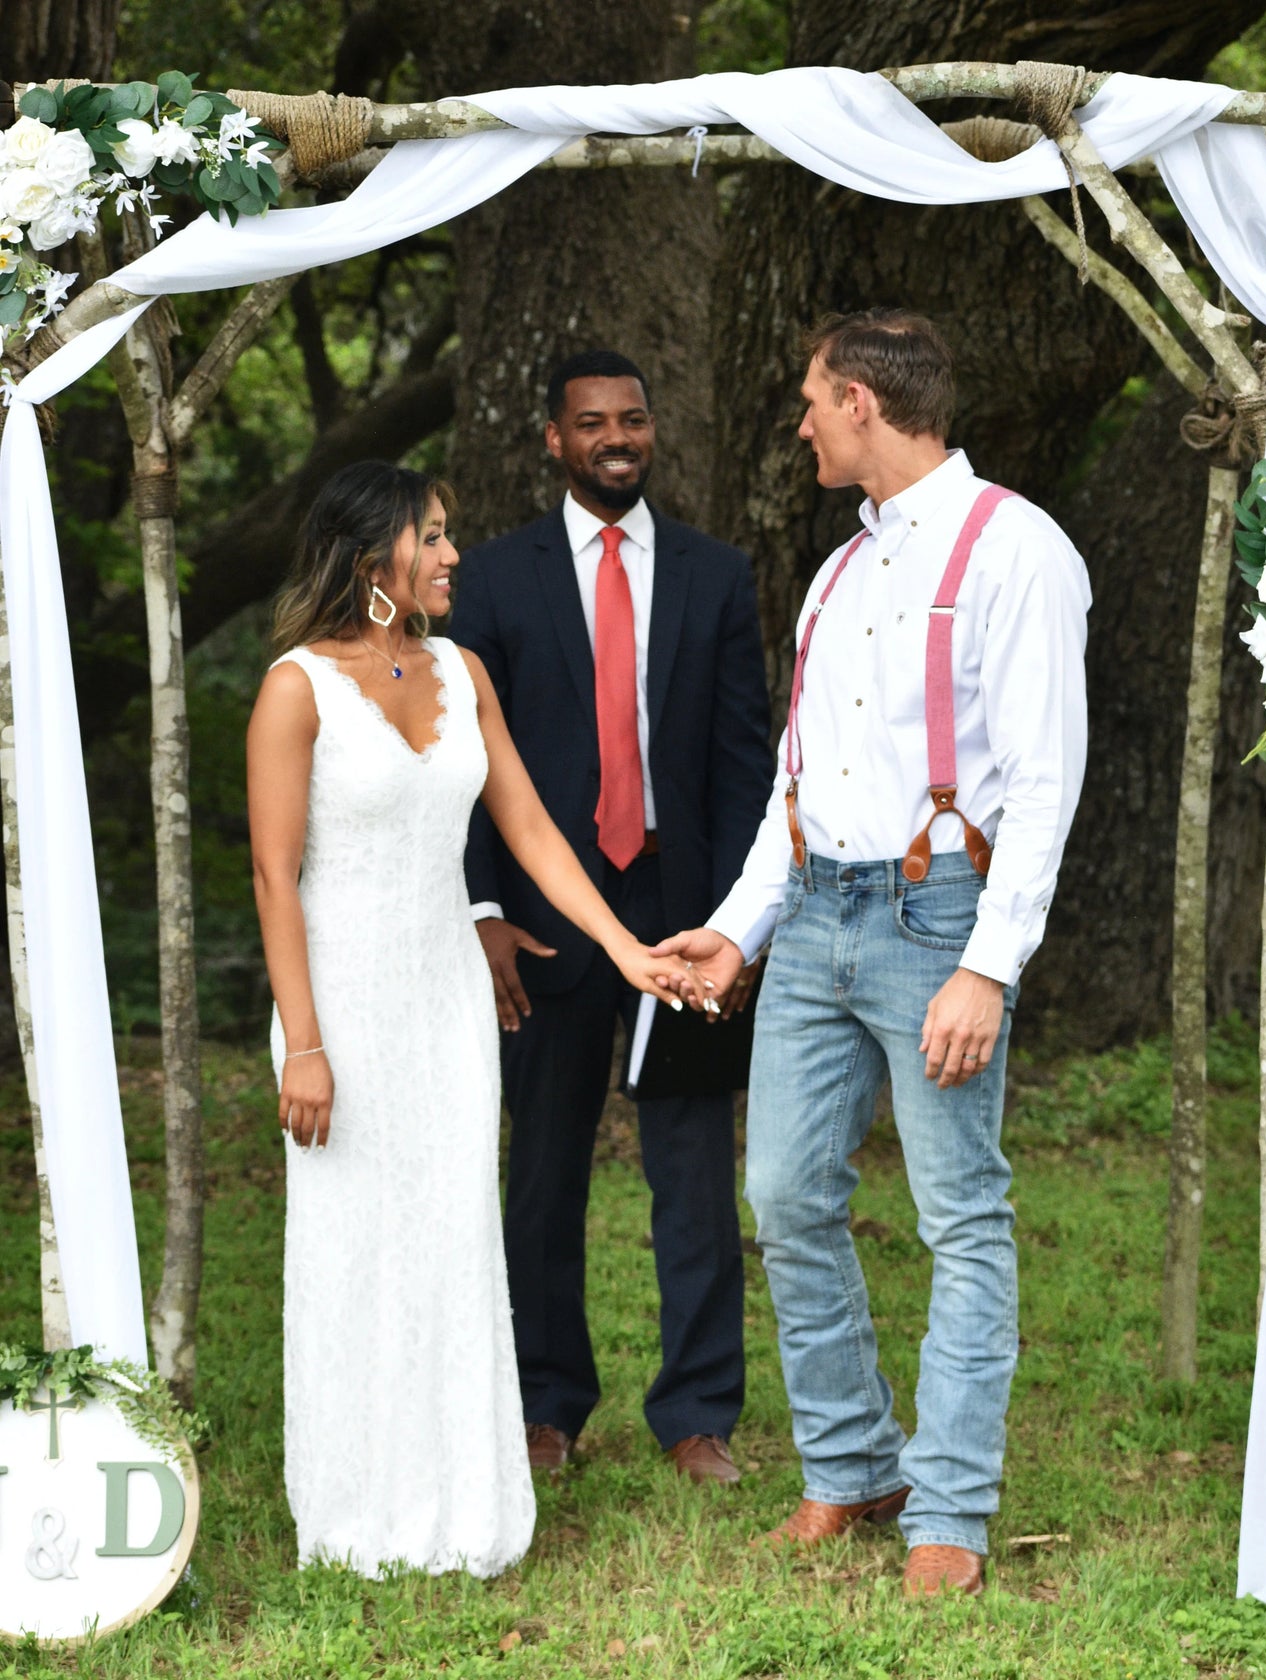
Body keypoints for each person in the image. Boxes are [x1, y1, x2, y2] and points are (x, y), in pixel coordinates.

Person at [655, 310, 1090, 1595]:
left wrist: (987, 966)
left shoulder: (1015, 549)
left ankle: (948, 1507)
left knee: (959, 1214)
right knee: (785, 1195)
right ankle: (852, 1466)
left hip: (937, 918)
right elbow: (800, 792)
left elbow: (1044, 779)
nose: (797, 424)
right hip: (817, 922)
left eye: (807, 402)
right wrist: (737, 935)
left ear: (857, 401)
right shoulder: (835, 571)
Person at [247, 460, 682, 1577]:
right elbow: (271, 875)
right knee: (353, 1247)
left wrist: (625, 950)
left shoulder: (462, 670)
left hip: (443, 999)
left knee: (449, 1237)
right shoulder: (296, 687)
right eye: (431, 538)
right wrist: (303, 1042)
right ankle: (353, 1514)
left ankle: (460, 1504)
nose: (451, 557)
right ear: (371, 554)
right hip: (339, 1002)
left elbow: (533, 832)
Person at [449, 350, 773, 1484]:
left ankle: (696, 1415)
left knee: (692, 1175)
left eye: (632, 419)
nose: (616, 438)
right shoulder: (488, 581)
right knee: (541, 1174)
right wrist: (483, 905)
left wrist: (739, 924)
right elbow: (464, 770)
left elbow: (744, 764)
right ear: (554, 440)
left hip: (682, 928)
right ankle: (544, 1405)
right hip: (543, 928)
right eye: (591, 423)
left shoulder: (712, 574)